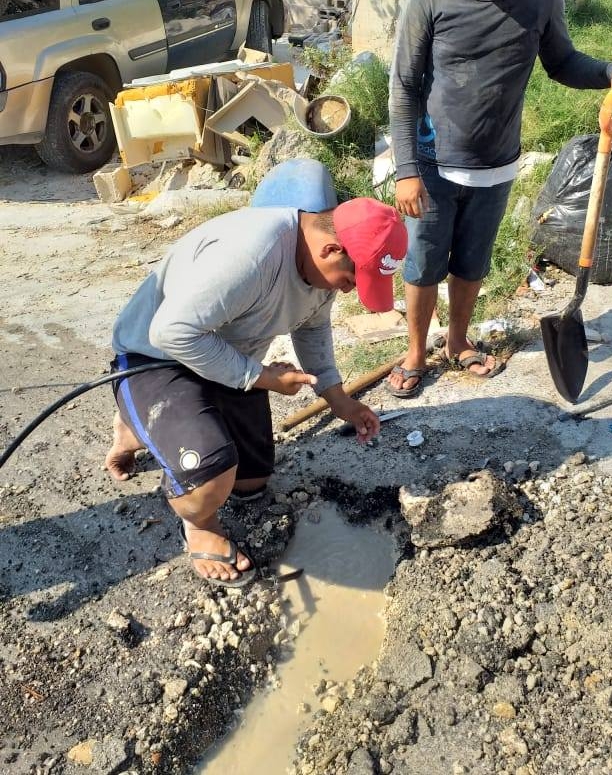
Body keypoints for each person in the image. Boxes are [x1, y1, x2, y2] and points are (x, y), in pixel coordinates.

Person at [386, 0, 612, 398]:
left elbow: (562, 63)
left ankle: (457, 342)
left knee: (472, 261)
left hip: (495, 163)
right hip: (432, 163)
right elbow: (403, 86)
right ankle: (416, 351)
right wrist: (405, 169)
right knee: (422, 263)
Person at [105, 195, 407, 587]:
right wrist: (260, 377)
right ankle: (199, 527)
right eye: (350, 280)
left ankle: (141, 427)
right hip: (157, 358)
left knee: (251, 484)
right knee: (210, 478)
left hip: (225, 359)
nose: (348, 292)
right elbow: (171, 332)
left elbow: (312, 328)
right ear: (331, 249)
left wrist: (339, 400)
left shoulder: (319, 264)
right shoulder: (253, 256)